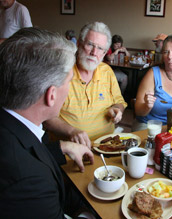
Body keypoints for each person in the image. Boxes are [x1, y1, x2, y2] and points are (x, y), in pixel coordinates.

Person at [0, 27, 94, 218]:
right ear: (51, 95)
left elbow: (27, 147)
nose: (69, 87)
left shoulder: (13, 123)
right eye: (69, 81)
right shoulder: (29, 182)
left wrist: (62, 147)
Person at [44, 22, 127, 147]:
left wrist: (117, 110)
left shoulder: (107, 72)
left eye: (100, 48)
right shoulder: (62, 72)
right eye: (90, 44)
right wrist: (71, 131)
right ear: (78, 44)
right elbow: (46, 117)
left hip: (106, 146)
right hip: (70, 149)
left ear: (104, 53)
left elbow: (119, 102)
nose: (94, 52)